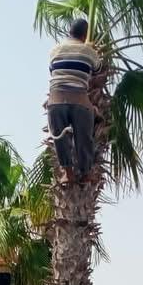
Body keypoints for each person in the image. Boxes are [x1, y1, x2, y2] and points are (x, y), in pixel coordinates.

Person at [47, 18, 103, 184]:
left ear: (69, 32)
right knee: (84, 137)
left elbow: (52, 70)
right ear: (85, 35)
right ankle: (86, 173)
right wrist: (91, 49)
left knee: (59, 136)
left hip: (57, 99)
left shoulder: (55, 50)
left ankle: (68, 173)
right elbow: (97, 70)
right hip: (79, 99)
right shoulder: (88, 51)